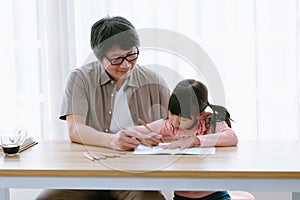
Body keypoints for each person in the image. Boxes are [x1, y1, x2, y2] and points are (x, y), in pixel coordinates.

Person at [36, 16, 170, 200]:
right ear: (100, 57)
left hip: (135, 173)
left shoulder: (154, 81)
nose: (126, 64)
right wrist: (114, 141)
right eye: (117, 59)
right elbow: (75, 129)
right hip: (88, 170)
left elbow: (171, 125)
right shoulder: (80, 78)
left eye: (131, 54)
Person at [124, 79, 238, 200]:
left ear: (201, 114)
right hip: (182, 196)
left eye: (182, 118)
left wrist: (195, 140)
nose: (174, 121)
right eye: (172, 113)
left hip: (215, 194)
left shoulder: (210, 122)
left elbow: (232, 137)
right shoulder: (167, 127)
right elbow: (127, 131)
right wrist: (144, 137)